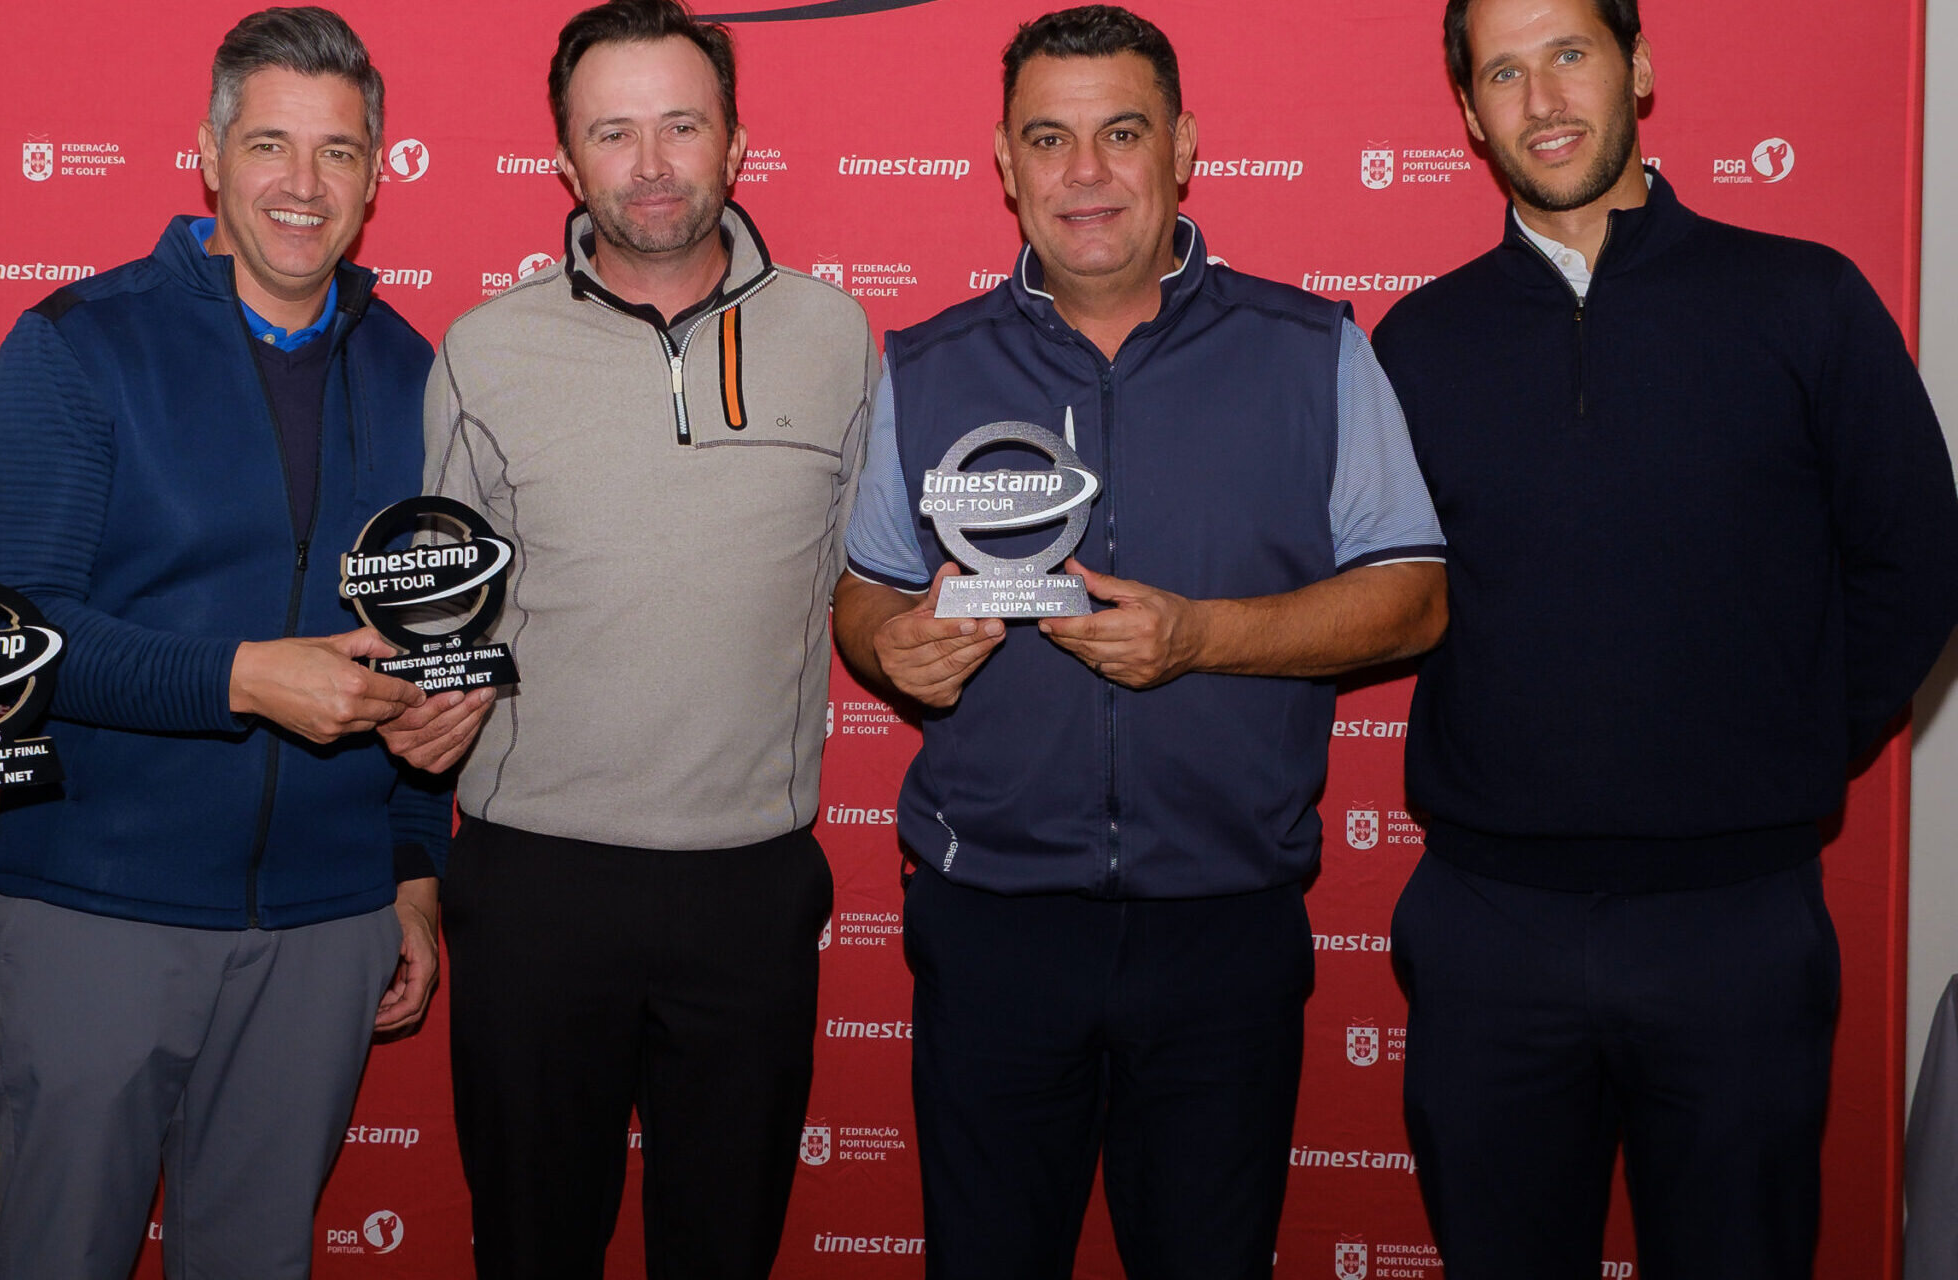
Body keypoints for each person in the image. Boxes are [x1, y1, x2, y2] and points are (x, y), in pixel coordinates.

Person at [829, 8, 1448, 1278]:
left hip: (1221, 926)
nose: (1085, 172)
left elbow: (1411, 595)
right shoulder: (926, 362)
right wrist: (894, 641)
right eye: (1047, 139)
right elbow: (862, 589)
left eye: (1121, 132)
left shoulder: (1312, 348)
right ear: (1004, 164)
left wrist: (1205, 636)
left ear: (1183, 147)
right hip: (992, 923)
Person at [1370, 1, 1958, 1276]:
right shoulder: (1415, 343)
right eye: (1504, 73)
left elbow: (1916, 560)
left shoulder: (1803, 299)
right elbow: (1378, 591)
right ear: (1469, 114)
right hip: (1488, 926)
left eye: (1570, 54)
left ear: (1637, 66)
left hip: (1735, 924)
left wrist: (1784, 737)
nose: (1543, 100)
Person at [0, 8, 481, 1279]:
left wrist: (413, 867)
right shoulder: (80, 343)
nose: (303, 187)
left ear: (377, 170)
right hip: (98, 907)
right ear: (207, 152)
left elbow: (418, 647)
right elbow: (15, 635)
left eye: (339, 152)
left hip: (325, 922)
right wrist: (242, 676)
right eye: (269, 144)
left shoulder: (422, 371)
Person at [422, 1, 874, 1273]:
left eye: (682, 124)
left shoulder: (839, 338)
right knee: (529, 1244)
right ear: (565, 161)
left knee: (723, 1248)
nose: (652, 162)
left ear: (737, 143)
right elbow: (434, 618)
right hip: (533, 886)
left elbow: (867, 583)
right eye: (612, 132)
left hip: (750, 885)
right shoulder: (482, 350)